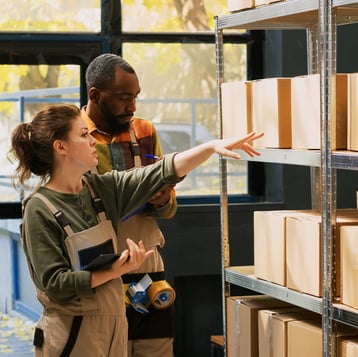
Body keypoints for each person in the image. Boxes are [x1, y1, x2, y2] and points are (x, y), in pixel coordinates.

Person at [9, 103, 263, 356]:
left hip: (113, 328)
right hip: (70, 335)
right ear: (60, 146)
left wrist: (210, 147)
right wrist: (115, 270)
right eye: (84, 135)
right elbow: (55, 283)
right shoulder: (38, 209)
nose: (93, 142)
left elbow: (159, 172)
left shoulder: (101, 190)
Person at [81, 53, 178, 356]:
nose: (132, 106)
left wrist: (163, 198)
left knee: (156, 349)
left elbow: (170, 208)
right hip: (101, 270)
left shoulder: (145, 131)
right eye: (124, 98)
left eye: (135, 97)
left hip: (148, 266)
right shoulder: (74, 137)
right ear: (95, 95)